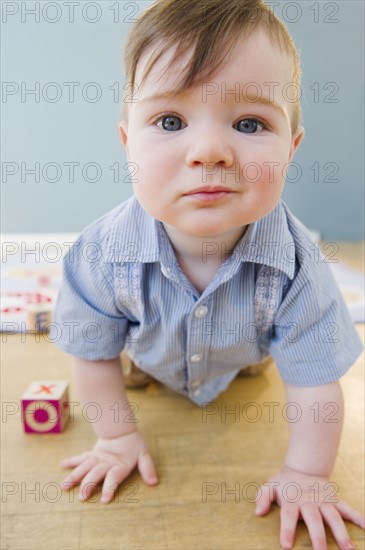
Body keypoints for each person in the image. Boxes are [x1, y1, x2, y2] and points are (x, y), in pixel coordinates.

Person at [51, 0, 364, 548]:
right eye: (170, 121)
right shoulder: (99, 255)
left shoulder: (299, 266)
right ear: (129, 145)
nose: (210, 151)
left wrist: (308, 474)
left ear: (290, 149)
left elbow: (315, 382)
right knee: (121, 368)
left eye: (249, 123)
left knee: (263, 371)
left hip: (246, 360)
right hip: (142, 361)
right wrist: (117, 436)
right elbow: (92, 354)